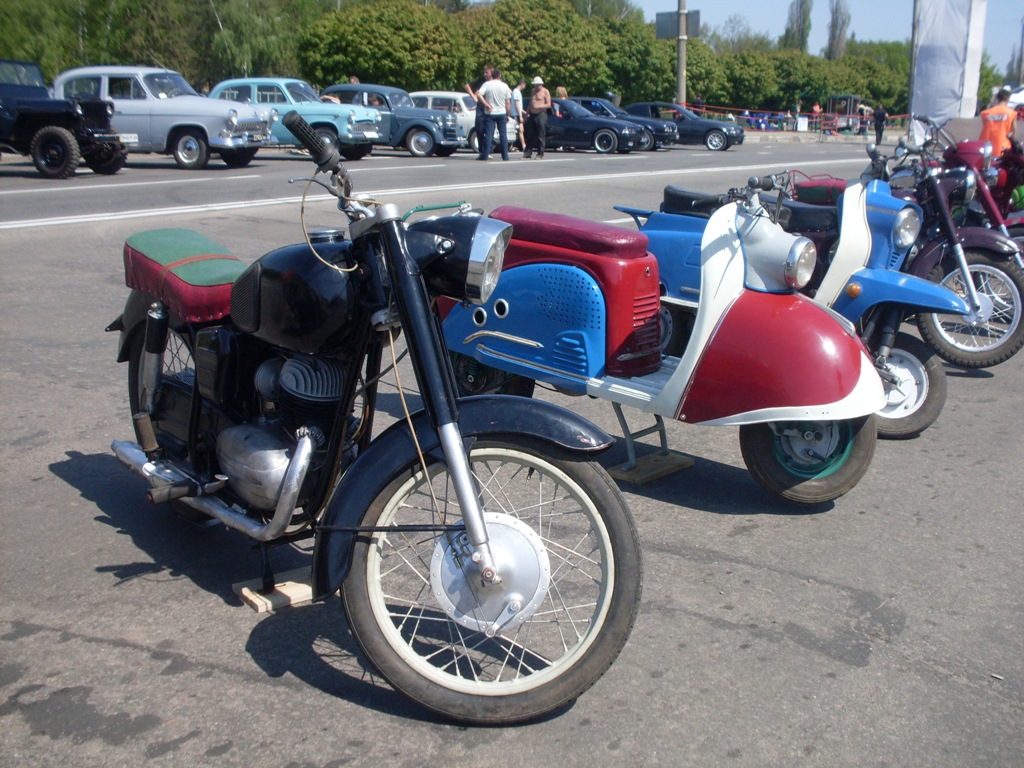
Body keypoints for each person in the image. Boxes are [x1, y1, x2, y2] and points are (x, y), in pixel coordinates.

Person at [476, 69, 512, 161]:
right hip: (501, 112)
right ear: (500, 76)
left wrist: (486, 104)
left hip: (490, 112)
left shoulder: (487, 84)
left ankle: (485, 155)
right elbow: (508, 102)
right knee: (503, 135)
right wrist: (508, 114)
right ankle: (505, 156)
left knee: (488, 134)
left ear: (492, 75)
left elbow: (479, 94)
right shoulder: (504, 86)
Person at [980, 86, 1017, 156]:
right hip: (1003, 147)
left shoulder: (985, 113)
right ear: (1007, 99)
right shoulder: (1011, 113)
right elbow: (1013, 131)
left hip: (986, 147)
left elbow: (985, 126)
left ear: (997, 98)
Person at [465, 64, 493, 150]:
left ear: (491, 73)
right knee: (479, 129)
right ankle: (481, 149)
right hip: (481, 108)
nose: (485, 74)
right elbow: (467, 86)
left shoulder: (494, 82)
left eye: (487, 73)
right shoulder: (481, 81)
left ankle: (489, 149)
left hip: (491, 108)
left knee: (489, 130)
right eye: (484, 72)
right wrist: (473, 96)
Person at [524, 76, 551, 159]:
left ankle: (540, 153)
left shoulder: (545, 91)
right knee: (530, 134)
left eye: (537, 85)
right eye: (535, 85)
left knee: (540, 134)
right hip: (532, 114)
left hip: (541, 114)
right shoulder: (533, 91)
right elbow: (530, 103)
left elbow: (548, 105)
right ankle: (528, 153)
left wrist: (538, 107)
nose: (535, 86)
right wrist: (526, 114)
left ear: (540, 84)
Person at [510, 78, 526, 151]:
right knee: (520, 130)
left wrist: (525, 113)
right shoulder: (516, 92)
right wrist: (520, 116)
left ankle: (515, 145)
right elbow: (516, 105)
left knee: (518, 130)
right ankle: (523, 146)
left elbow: (519, 106)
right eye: (524, 85)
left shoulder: (516, 92)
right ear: (522, 84)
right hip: (516, 114)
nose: (524, 87)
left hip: (517, 113)